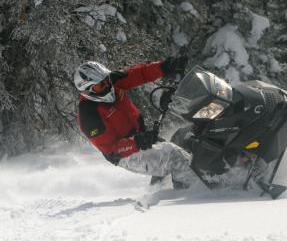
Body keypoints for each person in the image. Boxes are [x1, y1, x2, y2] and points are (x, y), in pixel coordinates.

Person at [74, 57, 196, 187]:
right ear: (88, 90)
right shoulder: (89, 115)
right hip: (124, 154)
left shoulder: (113, 82)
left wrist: (165, 66)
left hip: (141, 137)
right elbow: (111, 149)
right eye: (100, 85)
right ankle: (200, 190)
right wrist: (137, 142)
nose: (107, 86)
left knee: (183, 143)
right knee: (172, 155)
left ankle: (160, 190)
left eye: (106, 80)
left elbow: (140, 73)